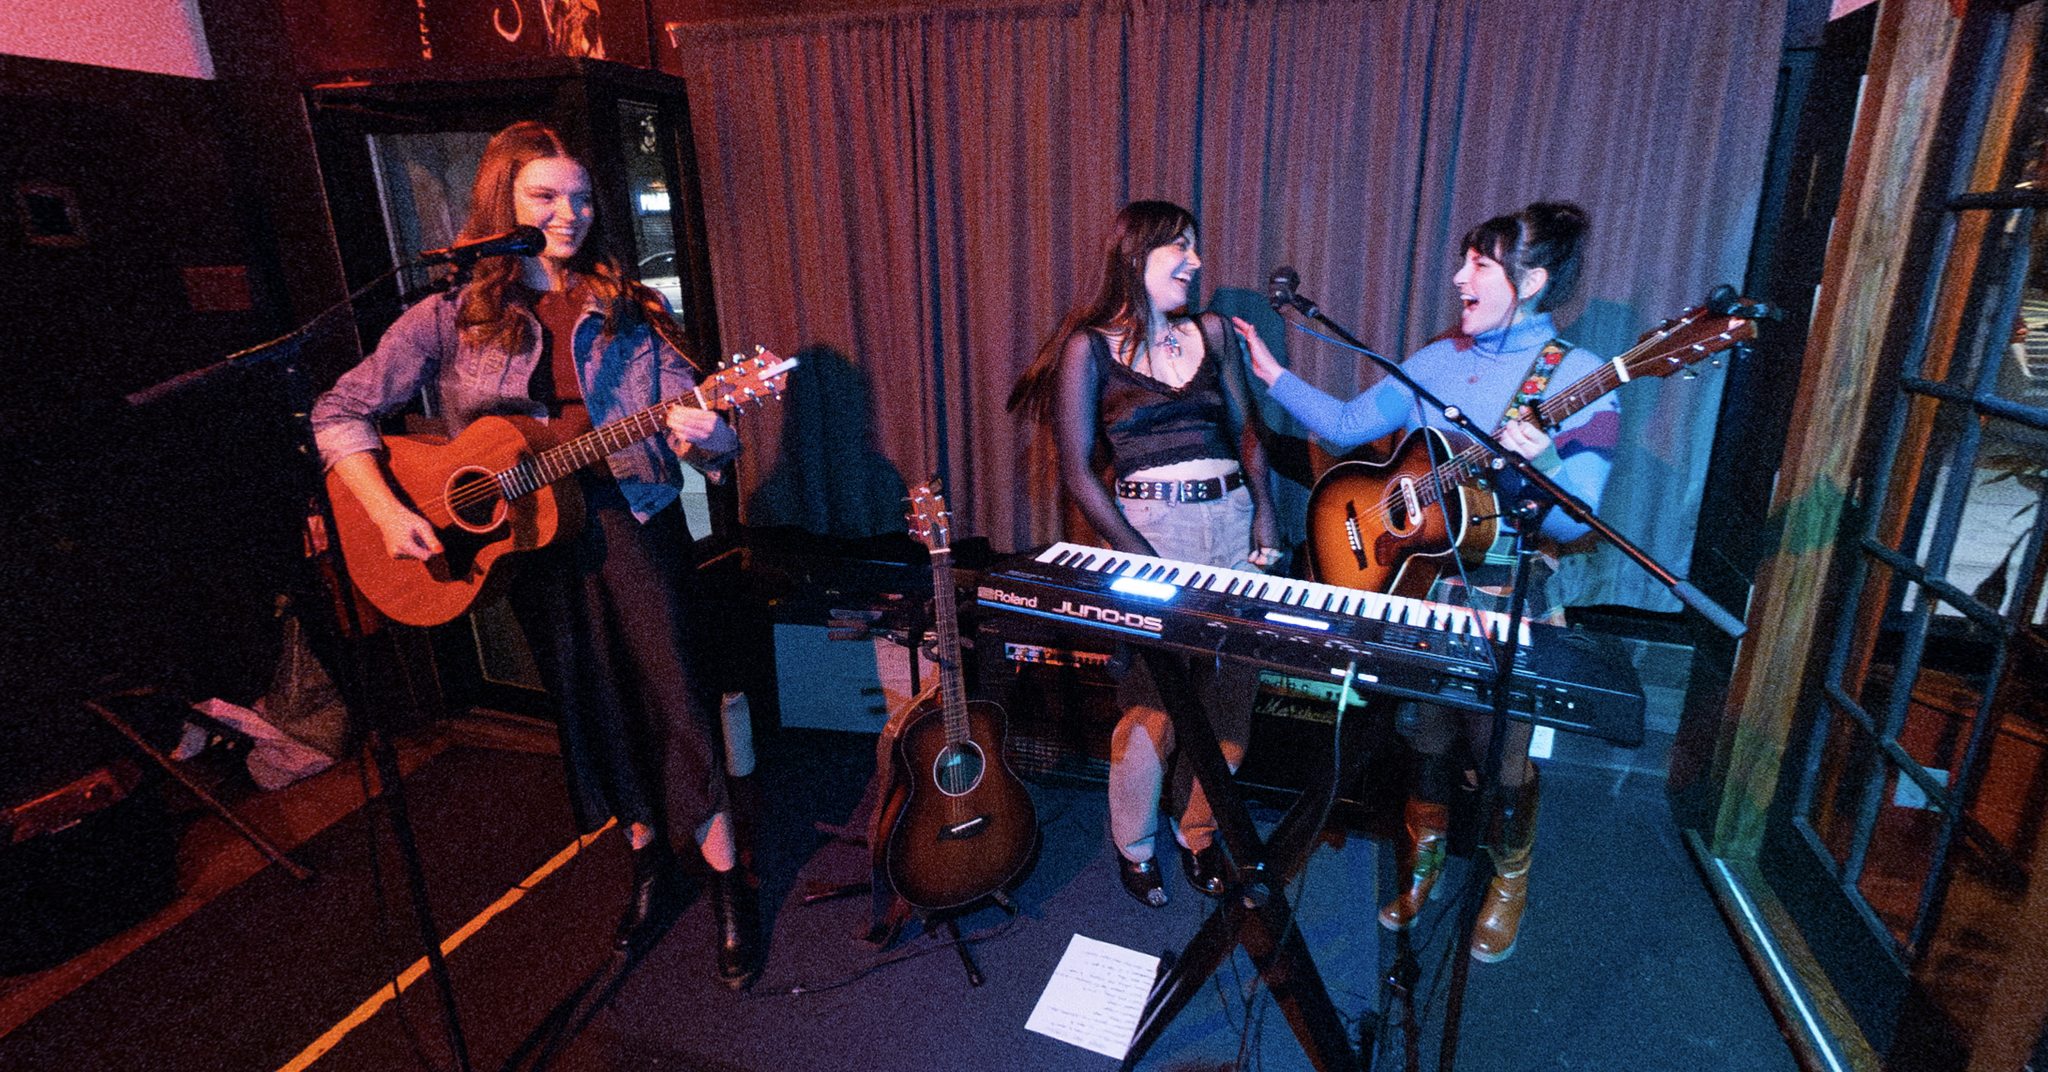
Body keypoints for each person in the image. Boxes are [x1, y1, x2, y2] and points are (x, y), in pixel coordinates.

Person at [311, 121, 760, 987]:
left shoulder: (634, 310)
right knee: (591, 707)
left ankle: (725, 878)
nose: (570, 213)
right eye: (545, 196)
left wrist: (715, 434)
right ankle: (646, 866)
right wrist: (384, 508)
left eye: (583, 196)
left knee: (678, 699)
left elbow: (707, 442)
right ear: (500, 205)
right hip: (525, 542)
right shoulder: (449, 315)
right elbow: (339, 411)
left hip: (630, 521)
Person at [1237, 201, 1616, 962]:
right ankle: (1428, 863)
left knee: (1500, 749)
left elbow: (1576, 524)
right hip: (1421, 586)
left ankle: (1510, 876)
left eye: (1479, 264)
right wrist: (1272, 375)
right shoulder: (1438, 357)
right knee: (1428, 735)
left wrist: (1538, 460)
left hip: (1507, 589)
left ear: (1532, 279)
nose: (1457, 277)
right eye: (1464, 260)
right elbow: (1347, 426)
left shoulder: (1579, 378)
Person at [1008, 200, 1282, 908]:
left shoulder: (1213, 332)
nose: (1195, 262)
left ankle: (1198, 833)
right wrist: (1141, 558)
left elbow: (1250, 433)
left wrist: (1267, 521)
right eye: (1179, 249)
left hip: (1230, 523)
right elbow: (1076, 471)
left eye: (1196, 247)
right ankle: (1133, 846)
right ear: (1136, 256)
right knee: (1152, 707)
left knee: (1230, 699)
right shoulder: (1088, 348)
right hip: (1149, 530)